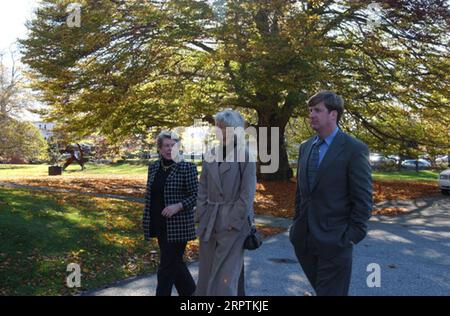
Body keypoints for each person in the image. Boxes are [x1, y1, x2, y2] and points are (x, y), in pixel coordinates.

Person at [289, 91, 373, 296]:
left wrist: (351, 236)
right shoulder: (306, 147)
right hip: (304, 240)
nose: (311, 115)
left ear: (333, 114)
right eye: (310, 110)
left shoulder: (354, 149)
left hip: (336, 241)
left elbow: (363, 199)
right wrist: (296, 226)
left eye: (317, 110)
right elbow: (301, 192)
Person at [195, 109, 256, 296]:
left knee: (225, 278)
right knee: (206, 274)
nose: (219, 131)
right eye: (218, 127)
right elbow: (202, 188)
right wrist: (202, 214)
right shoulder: (210, 154)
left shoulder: (245, 155)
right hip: (209, 222)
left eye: (224, 127)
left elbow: (247, 194)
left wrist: (233, 221)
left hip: (233, 224)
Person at [142, 131, 198, 296]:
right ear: (159, 148)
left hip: (178, 227)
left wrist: (178, 206)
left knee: (166, 269)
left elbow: (196, 195)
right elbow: (151, 195)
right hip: (158, 224)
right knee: (175, 264)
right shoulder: (153, 167)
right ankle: (191, 294)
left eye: (173, 145)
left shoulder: (186, 167)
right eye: (166, 145)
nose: (169, 148)